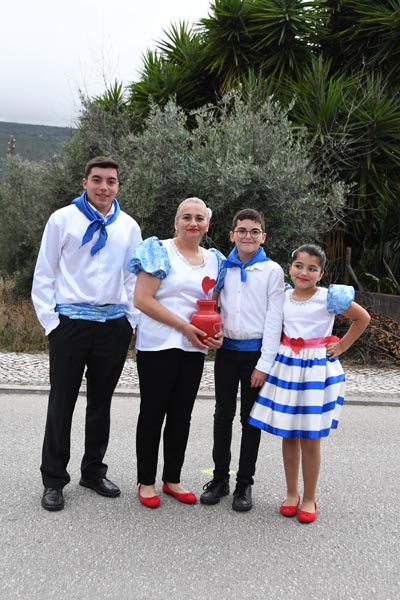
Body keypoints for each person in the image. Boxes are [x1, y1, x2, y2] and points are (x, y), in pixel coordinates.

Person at [31, 156, 142, 511]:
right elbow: (44, 273)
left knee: (100, 403)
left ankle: (93, 471)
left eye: (111, 181)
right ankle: (53, 480)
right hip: (70, 324)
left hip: (112, 326)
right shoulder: (62, 219)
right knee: (61, 402)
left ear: (118, 185)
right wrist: (52, 324)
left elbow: (133, 277)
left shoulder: (128, 226)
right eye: (97, 180)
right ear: (85, 182)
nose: (104, 187)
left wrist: (130, 321)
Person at [249, 244, 370, 523]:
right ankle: (291, 493)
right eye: (299, 266)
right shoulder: (282, 296)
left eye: (312, 268)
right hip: (287, 367)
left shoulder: (329, 297)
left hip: (316, 371)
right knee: (289, 434)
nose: (304, 272)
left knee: (310, 437)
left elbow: (362, 318)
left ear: (321, 273)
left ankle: (310, 497)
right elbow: (271, 329)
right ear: (290, 268)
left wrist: (342, 346)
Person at [128, 197, 224, 509]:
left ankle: (172, 479)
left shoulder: (215, 261)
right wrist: (183, 326)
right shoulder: (159, 251)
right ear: (176, 221)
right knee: (153, 413)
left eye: (199, 218)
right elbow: (142, 299)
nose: (193, 223)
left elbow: (215, 304)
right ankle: (146, 481)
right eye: (186, 217)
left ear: (207, 224)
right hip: (158, 344)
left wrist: (218, 331)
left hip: (193, 348)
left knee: (182, 415)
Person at [200, 208, 285, 511]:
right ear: (232, 234)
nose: (248, 236)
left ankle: (244, 483)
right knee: (222, 415)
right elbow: (212, 304)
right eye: (242, 230)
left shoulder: (272, 271)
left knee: (250, 421)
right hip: (226, 353)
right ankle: (220, 478)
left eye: (254, 231)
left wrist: (264, 364)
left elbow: (274, 319)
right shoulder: (223, 267)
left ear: (263, 236)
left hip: (255, 355)